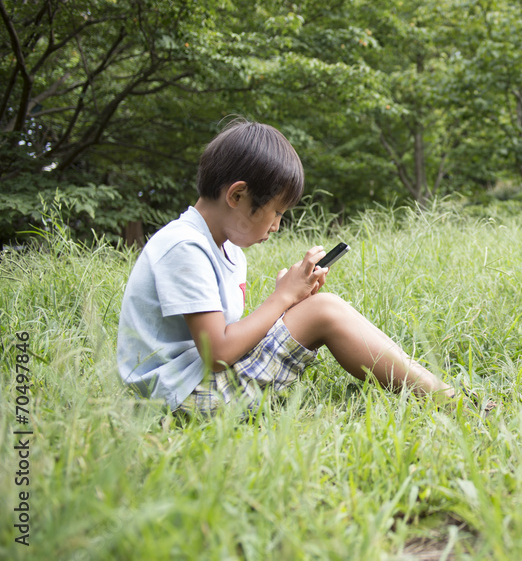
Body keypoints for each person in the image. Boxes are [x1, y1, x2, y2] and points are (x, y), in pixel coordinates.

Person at [117, 119, 484, 417]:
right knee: (325, 310)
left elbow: (229, 337)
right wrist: (281, 299)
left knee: (319, 308)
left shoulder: (222, 249)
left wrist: (288, 304)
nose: (276, 225)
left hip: (195, 385)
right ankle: (452, 403)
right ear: (237, 195)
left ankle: (442, 393)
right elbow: (220, 354)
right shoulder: (185, 247)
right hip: (179, 400)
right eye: (276, 212)